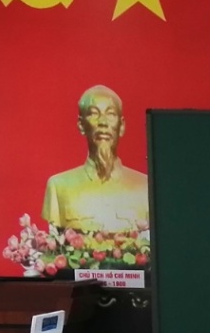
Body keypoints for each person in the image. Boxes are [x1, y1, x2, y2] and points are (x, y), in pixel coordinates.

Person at [39, 85, 149, 268]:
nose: (103, 122)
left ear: (121, 126)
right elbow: (54, 254)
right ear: (81, 125)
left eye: (110, 114)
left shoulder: (145, 187)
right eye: (94, 113)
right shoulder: (59, 186)